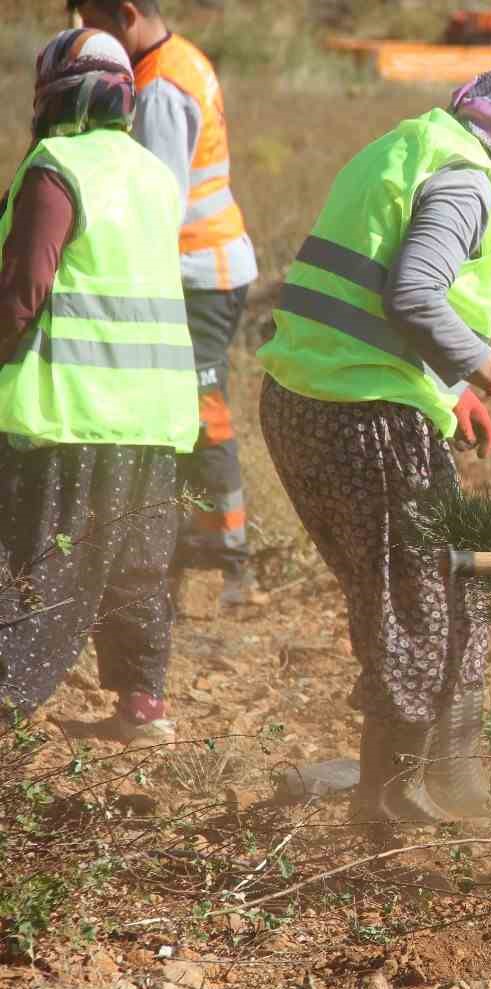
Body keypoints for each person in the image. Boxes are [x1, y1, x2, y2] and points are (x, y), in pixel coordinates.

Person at [255, 58, 491, 823]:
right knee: (420, 604)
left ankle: (451, 782)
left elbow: (373, 289)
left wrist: (448, 388)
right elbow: (412, 292)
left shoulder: (412, 143)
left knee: (440, 591)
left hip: (312, 400)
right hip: (360, 415)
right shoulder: (467, 179)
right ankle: (390, 802)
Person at [0, 29, 195, 745]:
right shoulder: (153, 175)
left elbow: (24, 291)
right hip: (154, 414)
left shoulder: (56, 168)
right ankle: (142, 706)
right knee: (135, 570)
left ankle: (6, 705)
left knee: (35, 564)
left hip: (69, 411)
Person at [69, 0, 265, 611]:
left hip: (199, 272)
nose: (85, 42)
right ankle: (184, 553)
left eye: (90, 25)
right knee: (179, 409)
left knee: (201, 410)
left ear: (124, 13)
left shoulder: (158, 86)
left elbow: (157, 199)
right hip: (202, 267)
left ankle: (222, 566)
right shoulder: (177, 61)